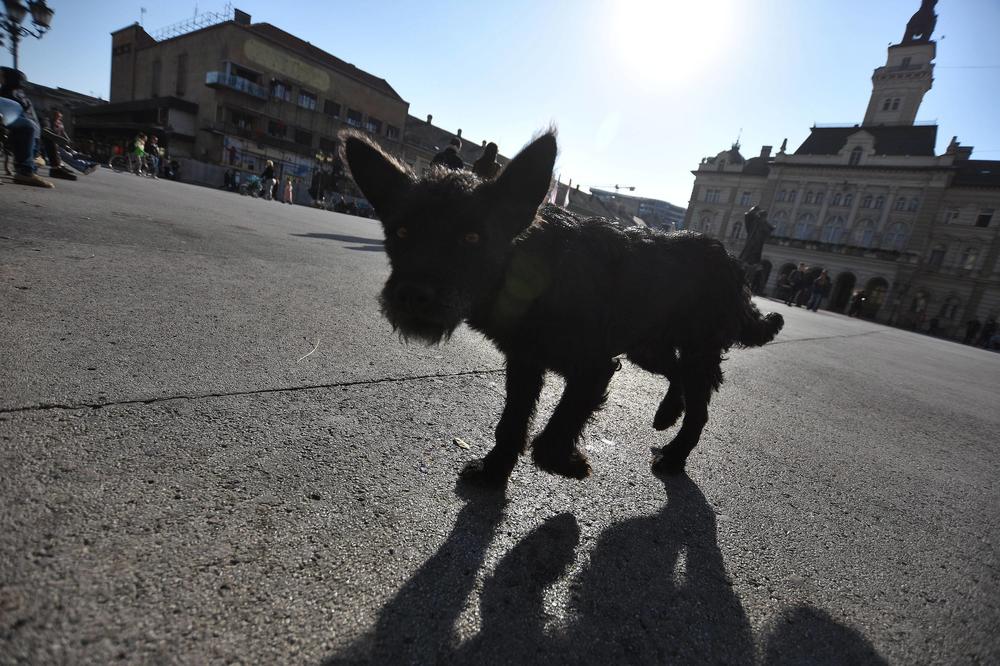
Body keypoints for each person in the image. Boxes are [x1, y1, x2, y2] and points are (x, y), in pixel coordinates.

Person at [0, 66, 53, 187]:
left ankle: (28, 164)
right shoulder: (14, 92)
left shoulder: (14, 92)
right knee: (28, 126)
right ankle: (26, 168)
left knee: (29, 126)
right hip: (26, 128)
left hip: (29, 129)